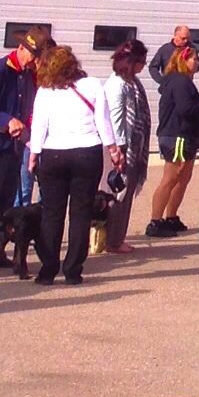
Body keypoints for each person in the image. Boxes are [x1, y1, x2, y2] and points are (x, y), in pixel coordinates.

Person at [27, 45, 121, 284]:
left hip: (53, 152)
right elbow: (103, 119)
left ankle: (48, 269)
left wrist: (34, 154)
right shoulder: (92, 85)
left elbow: (40, 125)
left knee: (51, 212)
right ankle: (73, 270)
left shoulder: (45, 90)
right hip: (86, 151)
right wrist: (112, 148)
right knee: (80, 212)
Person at [148, 45, 199, 237]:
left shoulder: (181, 81)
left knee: (183, 178)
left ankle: (171, 216)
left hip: (185, 137)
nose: (198, 63)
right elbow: (185, 109)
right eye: (194, 59)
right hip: (177, 136)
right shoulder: (180, 82)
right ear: (184, 61)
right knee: (171, 178)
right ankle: (155, 221)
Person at [100, 40, 151, 253]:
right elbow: (115, 118)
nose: (144, 66)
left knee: (125, 194)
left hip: (133, 147)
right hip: (121, 148)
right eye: (142, 62)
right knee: (117, 194)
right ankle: (112, 240)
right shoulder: (117, 84)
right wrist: (118, 149)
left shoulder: (133, 83)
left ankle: (116, 237)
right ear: (132, 62)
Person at [0, 32, 43, 211]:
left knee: (6, 204)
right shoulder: (2, 70)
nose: (35, 63)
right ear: (21, 48)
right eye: (33, 57)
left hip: (13, 151)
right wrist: (7, 120)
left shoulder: (29, 76)